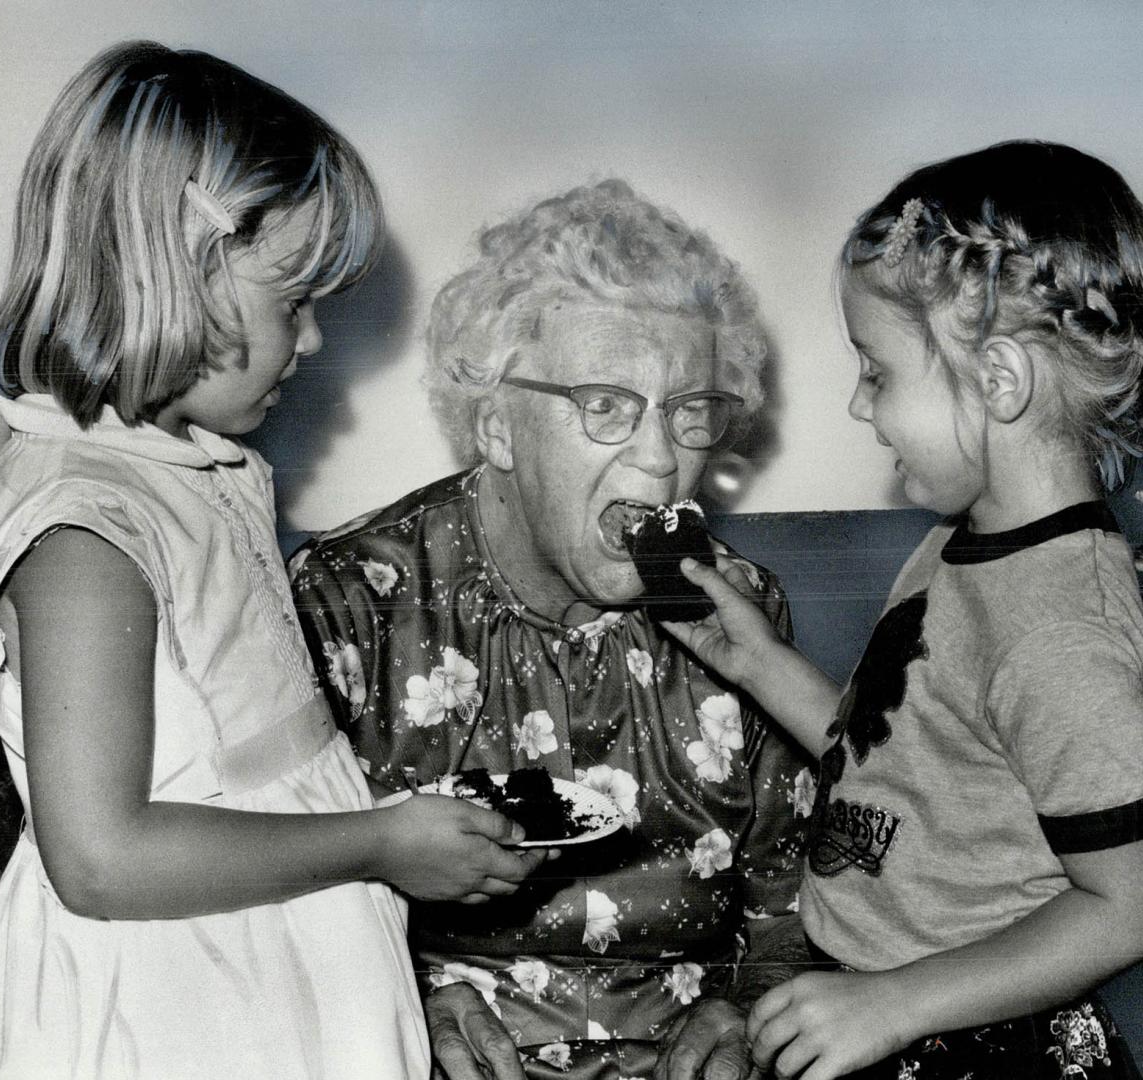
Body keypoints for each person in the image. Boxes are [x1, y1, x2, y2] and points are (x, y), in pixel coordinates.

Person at [0, 41, 543, 1080]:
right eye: (294, 303)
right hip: (174, 1003)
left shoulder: (197, 470)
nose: (314, 343)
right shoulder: (86, 528)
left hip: (264, 964)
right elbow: (102, 857)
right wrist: (376, 844)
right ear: (176, 272)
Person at [667, 140, 1143, 1079]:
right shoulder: (961, 542)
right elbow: (903, 767)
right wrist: (756, 661)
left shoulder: (1058, 633)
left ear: (999, 379)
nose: (857, 404)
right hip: (889, 1009)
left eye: (877, 370)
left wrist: (895, 1003)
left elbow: (1134, 903)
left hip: (983, 1041)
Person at [290, 179, 813, 1080]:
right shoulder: (348, 603)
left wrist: (747, 1003)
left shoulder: (736, 614)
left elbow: (793, 900)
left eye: (690, 411)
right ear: (495, 423)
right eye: (604, 404)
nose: (660, 459)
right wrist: (400, 997)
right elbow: (277, 897)